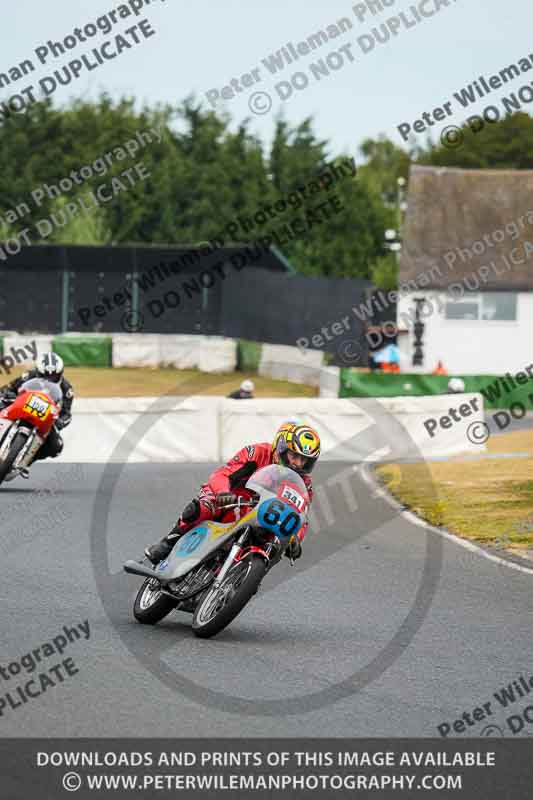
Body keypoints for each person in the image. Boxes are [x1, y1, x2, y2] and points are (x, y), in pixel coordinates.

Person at [145, 422, 321, 565]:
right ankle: (168, 543)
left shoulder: (304, 484)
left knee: (276, 547)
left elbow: (300, 517)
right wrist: (223, 493)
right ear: (281, 447)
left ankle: (243, 580)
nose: (298, 464)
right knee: (204, 506)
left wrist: (296, 540)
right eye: (294, 456)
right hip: (232, 500)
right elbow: (222, 474)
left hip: (262, 518)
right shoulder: (257, 453)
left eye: (304, 460)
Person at [0, 353, 73, 463]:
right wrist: (9, 395)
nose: (49, 379)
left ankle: (26, 461)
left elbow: (67, 413)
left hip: (46, 416)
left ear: (60, 374)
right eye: (45, 376)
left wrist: (60, 422)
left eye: (54, 376)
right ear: (38, 372)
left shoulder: (67, 389)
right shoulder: (29, 375)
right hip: (23, 405)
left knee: (56, 447)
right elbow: (10, 387)